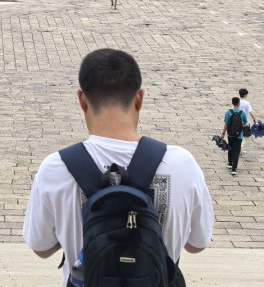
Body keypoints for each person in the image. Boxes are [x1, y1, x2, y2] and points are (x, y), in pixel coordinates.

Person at [23, 48, 213, 287]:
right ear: (140, 98)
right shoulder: (183, 164)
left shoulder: (55, 168)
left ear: (82, 99)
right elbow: (197, 244)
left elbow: (41, 248)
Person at [221, 96, 248, 174]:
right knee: (237, 151)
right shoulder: (242, 113)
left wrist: (223, 133)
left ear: (232, 103)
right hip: (239, 135)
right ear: (239, 104)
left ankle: (230, 163)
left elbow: (226, 124)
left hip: (230, 134)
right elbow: (245, 122)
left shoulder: (228, 112)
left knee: (230, 147)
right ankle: (234, 169)